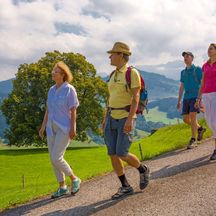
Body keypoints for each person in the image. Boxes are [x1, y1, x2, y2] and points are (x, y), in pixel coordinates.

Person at [102, 42, 150, 200]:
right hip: (111, 116)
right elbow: (110, 99)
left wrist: (130, 119)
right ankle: (125, 186)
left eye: (113, 53)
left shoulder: (131, 72)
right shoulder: (113, 74)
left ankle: (142, 169)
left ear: (121, 55)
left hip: (125, 116)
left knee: (122, 153)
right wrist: (104, 119)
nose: (110, 56)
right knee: (112, 154)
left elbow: (136, 97)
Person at [39, 61, 81, 198]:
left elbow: (73, 109)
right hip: (51, 128)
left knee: (56, 157)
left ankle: (74, 179)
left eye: (55, 71)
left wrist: (73, 128)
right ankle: (62, 186)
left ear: (63, 74)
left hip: (64, 128)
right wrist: (43, 126)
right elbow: (48, 109)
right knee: (53, 159)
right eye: (53, 71)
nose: (53, 73)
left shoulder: (70, 89)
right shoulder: (51, 90)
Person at [177, 51, 206, 149]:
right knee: (186, 119)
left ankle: (193, 140)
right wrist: (179, 100)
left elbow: (202, 83)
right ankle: (200, 128)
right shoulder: (183, 72)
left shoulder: (197, 70)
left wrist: (200, 98)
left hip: (195, 96)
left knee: (193, 117)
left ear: (192, 58)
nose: (185, 58)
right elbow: (182, 87)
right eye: (184, 57)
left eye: (187, 56)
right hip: (186, 98)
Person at [195, 43, 216, 160]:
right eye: (208, 49)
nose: (209, 50)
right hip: (206, 95)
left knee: (214, 122)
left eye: (211, 49)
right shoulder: (205, 66)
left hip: (215, 94)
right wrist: (198, 98)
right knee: (209, 122)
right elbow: (202, 82)